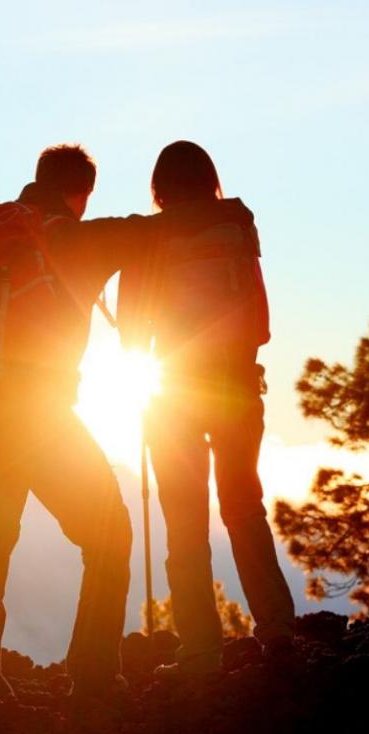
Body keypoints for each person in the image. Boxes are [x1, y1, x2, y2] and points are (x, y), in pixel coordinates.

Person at [0, 145, 145, 722]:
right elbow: (150, 234)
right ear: (80, 194)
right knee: (110, 533)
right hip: (41, 421)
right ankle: (93, 681)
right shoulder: (76, 238)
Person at [118, 140, 296, 676]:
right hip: (238, 388)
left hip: (173, 396)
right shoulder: (238, 227)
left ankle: (200, 652)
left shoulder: (149, 236)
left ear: (159, 188)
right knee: (244, 507)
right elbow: (261, 322)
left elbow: (129, 333)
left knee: (185, 521)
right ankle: (279, 632)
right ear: (209, 179)